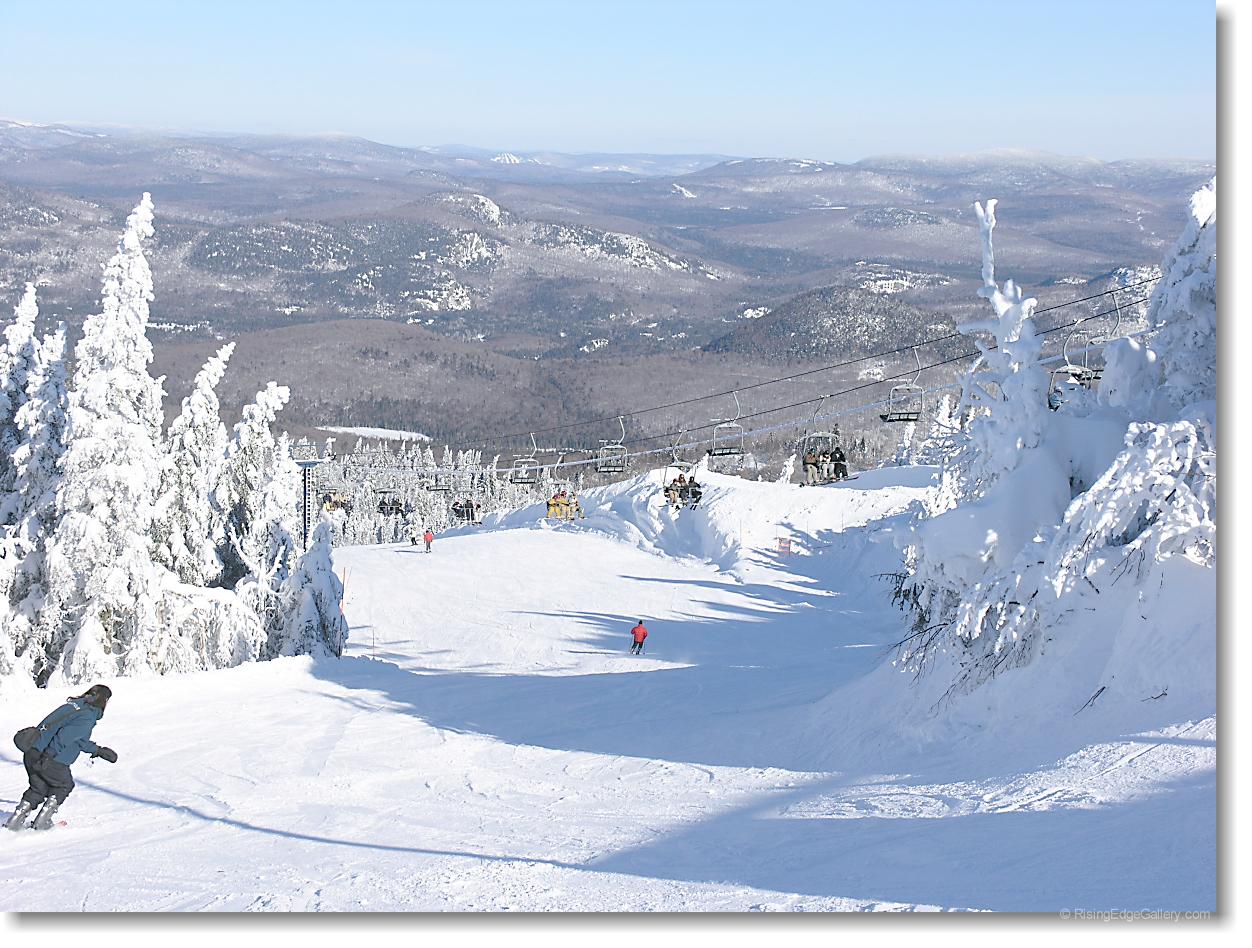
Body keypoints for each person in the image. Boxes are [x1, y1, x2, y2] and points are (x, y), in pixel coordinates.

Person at [6, 684, 118, 832]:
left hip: (32, 751)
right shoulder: (87, 716)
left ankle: (13, 823)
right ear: (104, 700)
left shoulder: (76, 705)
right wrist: (48, 756)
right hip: (49, 757)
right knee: (64, 785)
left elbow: (77, 739)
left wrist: (98, 750)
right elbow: (64, 737)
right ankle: (42, 823)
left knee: (38, 789)